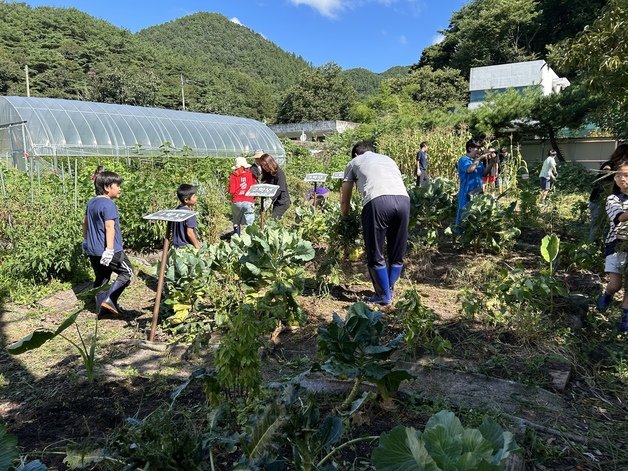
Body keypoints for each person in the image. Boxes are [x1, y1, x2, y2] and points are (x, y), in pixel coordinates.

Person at [341, 141, 410, 306]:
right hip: (404, 201)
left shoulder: (353, 162)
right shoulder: (388, 159)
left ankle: (383, 295)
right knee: (396, 250)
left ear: (356, 154)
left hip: (377, 202)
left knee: (375, 251)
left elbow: (346, 196)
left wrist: (344, 216)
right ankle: (389, 289)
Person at [83, 171, 133, 316]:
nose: (120, 188)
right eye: (117, 185)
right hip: (110, 250)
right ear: (107, 187)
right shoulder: (108, 204)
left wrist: (86, 241)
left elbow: (84, 223)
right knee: (127, 272)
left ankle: (101, 310)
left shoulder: (91, 202)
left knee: (102, 278)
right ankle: (110, 299)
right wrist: (110, 249)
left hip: (93, 250)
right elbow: (109, 227)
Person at [595, 160, 628, 332]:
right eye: (618, 175)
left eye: (626, 175)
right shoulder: (612, 199)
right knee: (616, 284)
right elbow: (620, 217)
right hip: (616, 245)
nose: (622, 178)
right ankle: (607, 295)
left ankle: (625, 320)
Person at [589, 144, 628, 240]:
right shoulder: (609, 165)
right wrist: (608, 171)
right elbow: (606, 171)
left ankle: (603, 246)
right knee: (597, 225)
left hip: (610, 202)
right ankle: (592, 247)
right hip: (598, 200)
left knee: (609, 225)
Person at [455, 139, 496, 227]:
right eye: (477, 148)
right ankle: (459, 234)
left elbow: (484, 173)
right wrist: (479, 158)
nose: (479, 150)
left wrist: (492, 162)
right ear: (470, 148)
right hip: (466, 192)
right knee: (464, 213)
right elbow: (470, 170)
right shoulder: (463, 160)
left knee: (476, 214)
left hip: (478, 191)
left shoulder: (478, 161)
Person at [258, 153, 291, 219]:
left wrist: (270, 199)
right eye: (262, 166)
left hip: (282, 202)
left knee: (273, 220)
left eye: (265, 165)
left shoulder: (279, 173)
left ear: (270, 163)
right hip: (275, 201)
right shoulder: (268, 174)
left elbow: (280, 189)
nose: (264, 167)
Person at [228, 157, 256, 234]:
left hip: (236, 201)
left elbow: (231, 191)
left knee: (236, 221)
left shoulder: (233, 176)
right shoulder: (251, 175)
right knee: (249, 223)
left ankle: (237, 237)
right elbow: (254, 187)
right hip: (248, 200)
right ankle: (249, 239)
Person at [172, 184, 201, 249]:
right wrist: (197, 246)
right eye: (194, 197)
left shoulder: (176, 210)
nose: (196, 198)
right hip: (186, 248)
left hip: (176, 247)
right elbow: (190, 233)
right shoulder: (190, 214)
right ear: (186, 200)